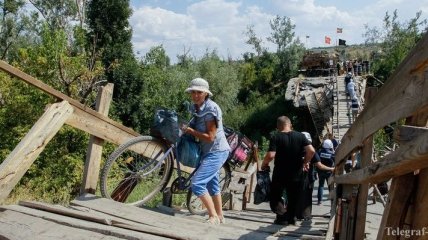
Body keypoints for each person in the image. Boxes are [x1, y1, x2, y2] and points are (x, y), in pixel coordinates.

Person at [181, 78, 231, 224]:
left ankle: (213, 216)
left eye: (199, 92)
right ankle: (220, 216)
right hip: (207, 150)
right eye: (193, 92)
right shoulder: (195, 106)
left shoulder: (211, 109)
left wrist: (190, 131)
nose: (196, 95)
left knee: (197, 183)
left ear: (206, 94)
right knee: (212, 184)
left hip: (217, 150)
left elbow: (210, 137)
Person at [261, 116, 315, 225]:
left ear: (278, 126)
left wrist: (264, 163)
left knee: (275, 197)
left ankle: (282, 216)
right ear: (290, 124)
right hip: (296, 173)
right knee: (293, 197)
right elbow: (311, 151)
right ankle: (291, 219)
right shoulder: (300, 136)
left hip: (280, 173)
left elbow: (271, 155)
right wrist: (305, 162)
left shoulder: (276, 137)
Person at [297, 132, 335, 221]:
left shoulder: (295, 149)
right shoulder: (312, 151)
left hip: (297, 176)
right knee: (308, 196)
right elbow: (319, 165)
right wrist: (332, 169)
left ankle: (297, 214)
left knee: (297, 194)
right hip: (309, 176)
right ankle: (306, 215)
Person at [317, 139, 335, 205]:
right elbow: (335, 160)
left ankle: (319, 200)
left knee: (321, 185)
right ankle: (332, 201)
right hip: (329, 171)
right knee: (330, 186)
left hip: (321, 171)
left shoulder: (319, 152)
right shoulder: (332, 153)